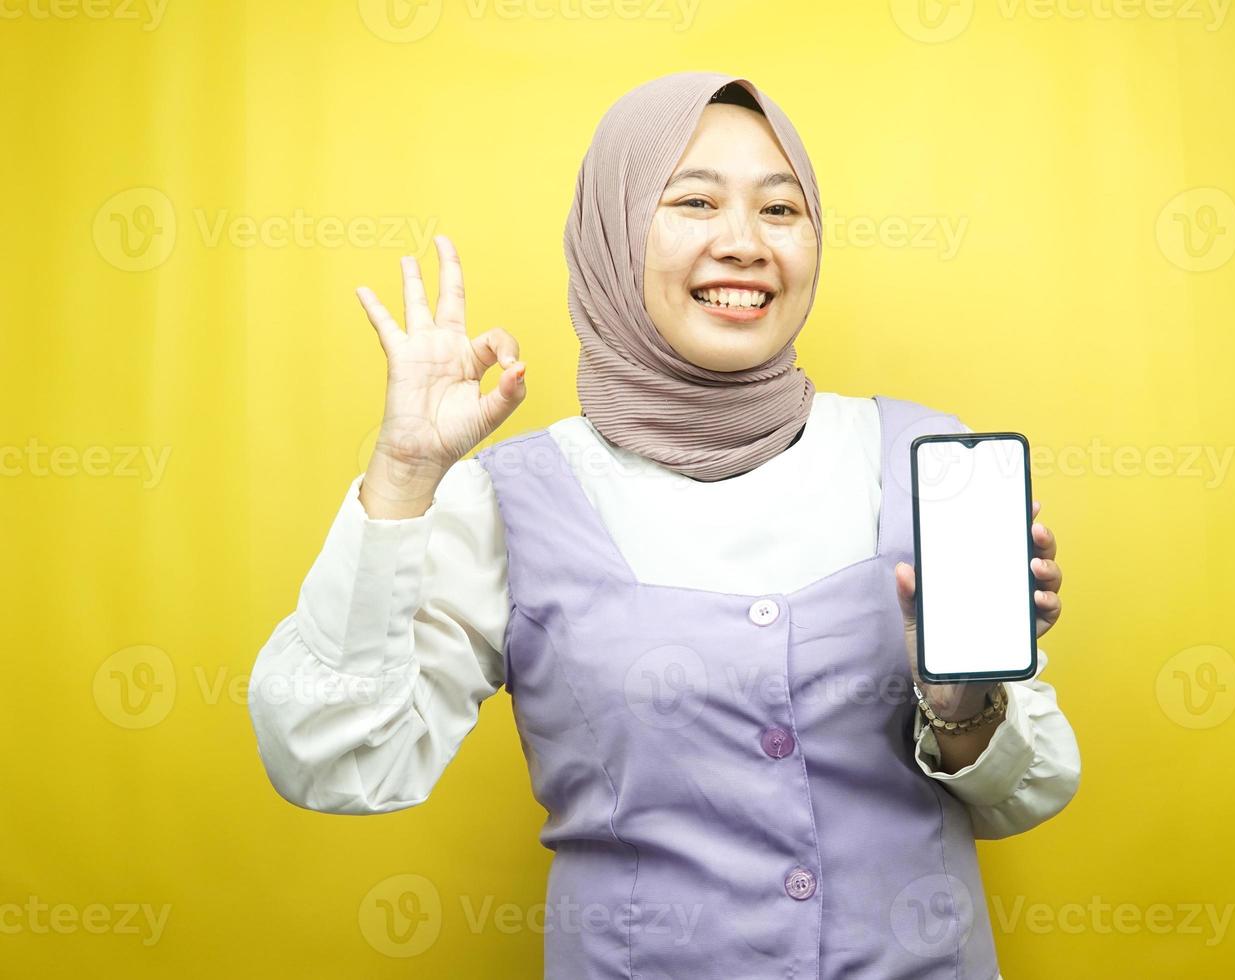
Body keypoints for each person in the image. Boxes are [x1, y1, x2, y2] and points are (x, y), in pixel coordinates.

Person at [247, 71, 1080, 979]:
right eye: (693, 202)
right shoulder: (509, 501)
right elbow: (334, 762)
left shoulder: (926, 459)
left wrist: (962, 708)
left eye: (781, 209)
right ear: (612, 232)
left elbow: (1024, 794)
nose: (744, 244)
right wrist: (404, 474)